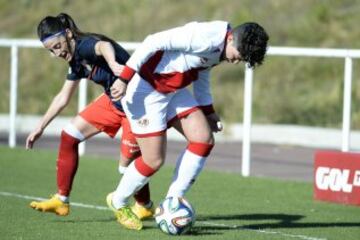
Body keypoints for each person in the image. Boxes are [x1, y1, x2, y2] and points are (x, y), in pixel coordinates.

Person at [107, 20, 269, 230]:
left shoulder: (223, 47)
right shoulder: (205, 36)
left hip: (172, 91)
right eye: (238, 55)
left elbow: (202, 72)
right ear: (230, 38)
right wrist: (124, 78)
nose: (237, 62)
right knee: (153, 160)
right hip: (145, 89)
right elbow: (153, 41)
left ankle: (173, 201)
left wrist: (209, 111)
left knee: (203, 139)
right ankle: (118, 201)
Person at [26, 13, 154, 223]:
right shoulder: (75, 60)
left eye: (57, 46)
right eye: (50, 50)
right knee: (69, 135)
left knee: (126, 166)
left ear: (67, 34)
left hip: (136, 105)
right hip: (114, 103)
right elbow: (63, 97)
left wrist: (113, 63)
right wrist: (40, 127)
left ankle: (144, 206)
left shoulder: (85, 45)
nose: (55, 54)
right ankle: (61, 199)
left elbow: (103, 46)